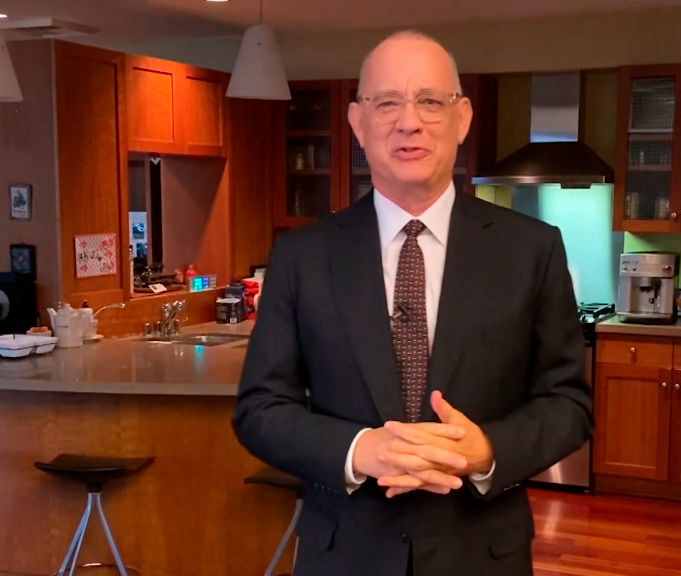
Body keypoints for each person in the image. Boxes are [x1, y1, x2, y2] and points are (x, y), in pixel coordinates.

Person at [233, 30, 591, 576]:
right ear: (357, 122)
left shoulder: (531, 249)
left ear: (462, 117)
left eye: (429, 100)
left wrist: (485, 450)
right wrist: (359, 451)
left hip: (482, 554)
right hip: (345, 555)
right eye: (387, 103)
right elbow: (260, 409)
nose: (409, 121)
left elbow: (568, 402)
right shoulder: (302, 255)